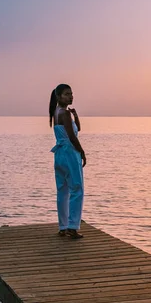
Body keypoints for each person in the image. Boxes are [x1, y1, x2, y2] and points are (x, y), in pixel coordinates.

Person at [49, 84, 86, 239]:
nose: (71, 96)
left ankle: (63, 226)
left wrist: (76, 116)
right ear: (58, 97)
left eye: (71, 94)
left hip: (59, 154)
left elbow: (76, 128)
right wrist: (82, 152)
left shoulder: (56, 112)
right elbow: (72, 136)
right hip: (70, 153)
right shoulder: (64, 113)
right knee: (77, 189)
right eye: (66, 94)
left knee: (62, 190)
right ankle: (72, 226)